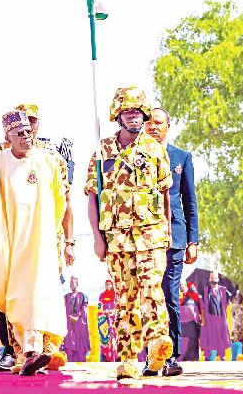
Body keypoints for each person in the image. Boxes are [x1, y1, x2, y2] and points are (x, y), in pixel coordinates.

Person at [86, 87, 174, 379]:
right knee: (126, 298)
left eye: (138, 112)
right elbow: (93, 197)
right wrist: (98, 240)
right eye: (128, 112)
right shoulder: (102, 151)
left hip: (151, 235)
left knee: (152, 291)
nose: (133, 116)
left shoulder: (155, 149)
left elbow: (164, 195)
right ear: (118, 115)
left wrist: (167, 233)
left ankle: (158, 343)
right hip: (117, 239)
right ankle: (128, 358)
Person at [0, 110, 73, 376]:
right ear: (7, 136)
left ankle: (33, 350)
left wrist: (60, 237)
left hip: (40, 241)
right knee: (14, 294)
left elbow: (60, 200)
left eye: (29, 133)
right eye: (19, 134)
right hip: (10, 239)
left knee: (38, 294)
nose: (26, 137)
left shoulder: (47, 160)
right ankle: (23, 353)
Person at [146, 107, 199, 376]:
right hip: (144, 237)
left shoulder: (181, 157)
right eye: (149, 123)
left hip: (174, 237)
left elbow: (190, 202)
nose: (152, 127)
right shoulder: (136, 157)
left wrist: (193, 240)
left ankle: (170, 356)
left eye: (158, 123)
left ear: (168, 126)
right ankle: (149, 356)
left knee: (169, 295)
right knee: (146, 298)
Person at [200, 272, 232, 361]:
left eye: (215, 278)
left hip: (220, 317)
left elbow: (227, 303)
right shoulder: (205, 290)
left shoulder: (223, 290)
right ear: (209, 279)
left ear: (218, 279)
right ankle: (207, 356)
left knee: (221, 335)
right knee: (208, 336)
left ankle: (222, 355)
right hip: (209, 317)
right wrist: (203, 318)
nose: (213, 280)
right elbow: (202, 305)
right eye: (211, 278)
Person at [63, 276, 91, 362]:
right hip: (70, 323)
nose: (71, 285)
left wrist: (77, 317)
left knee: (80, 343)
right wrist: (69, 316)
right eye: (70, 284)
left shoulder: (82, 296)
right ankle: (70, 361)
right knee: (70, 341)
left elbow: (84, 308)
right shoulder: (66, 296)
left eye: (73, 283)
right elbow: (63, 308)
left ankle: (81, 361)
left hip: (79, 323)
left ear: (77, 284)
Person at [178, 282, 202, 361]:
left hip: (192, 322)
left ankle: (193, 358)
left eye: (182, 284)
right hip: (181, 322)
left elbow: (200, 306)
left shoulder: (193, 295)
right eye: (179, 284)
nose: (181, 286)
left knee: (193, 339)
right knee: (183, 341)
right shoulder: (177, 295)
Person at [98, 280, 118, 362]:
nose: (108, 286)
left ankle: (116, 357)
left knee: (115, 338)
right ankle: (106, 357)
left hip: (114, 322)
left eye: (110, 284)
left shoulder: (115, 295)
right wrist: (104, 313)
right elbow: (99, 308)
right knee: (105, 340)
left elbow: (118, 307)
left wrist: (112, 312)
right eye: (107, 285)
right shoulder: (102, 295)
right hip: (105, 323)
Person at [231, 291, 243, 361]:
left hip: (241, 325)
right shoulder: (232, 306)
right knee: (234, 340)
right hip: (234, 325)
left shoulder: (242, 306)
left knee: (240, 341)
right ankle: (234, 357)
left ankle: (239, 356)